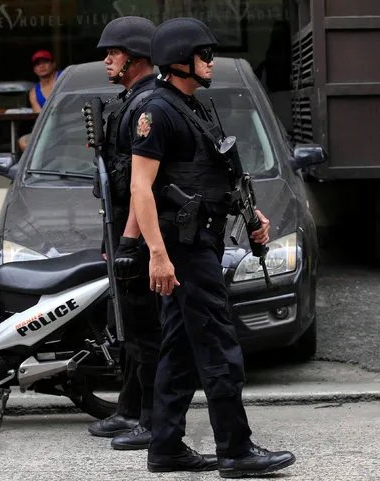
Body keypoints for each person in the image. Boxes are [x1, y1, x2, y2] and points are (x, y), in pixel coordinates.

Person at [129, 18, 296, 477]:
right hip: (184, 247)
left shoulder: (196, 108)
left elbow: (217, 171)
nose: (211, 61)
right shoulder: (157, 112)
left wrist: (252, 214)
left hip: (202, 237)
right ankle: (236, 451)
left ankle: (165, 447)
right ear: (180, 60)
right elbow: (140, 189)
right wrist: (158, 255)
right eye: (204, 55)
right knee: (219, 345)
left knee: (180, 348)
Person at [85, 16, 162, 451]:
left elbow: (141, 184)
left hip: (133, 234)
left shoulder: (146, 103)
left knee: (145, 330)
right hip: (121, 230)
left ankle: (151, 420)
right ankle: (130, 409)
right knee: (129, 329)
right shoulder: (130, 100)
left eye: (113, 52)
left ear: (134, 57)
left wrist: (130, 245)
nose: (107, 59)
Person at [18, 50, 62, 152]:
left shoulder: (64, 77)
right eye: (38, 64)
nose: (42, 66)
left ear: (53, 64)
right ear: (34, 69)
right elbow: (39, 117)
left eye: (45, 62)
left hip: (72, 125)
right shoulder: (34, 92)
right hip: (49, 130)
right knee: (23, 142)